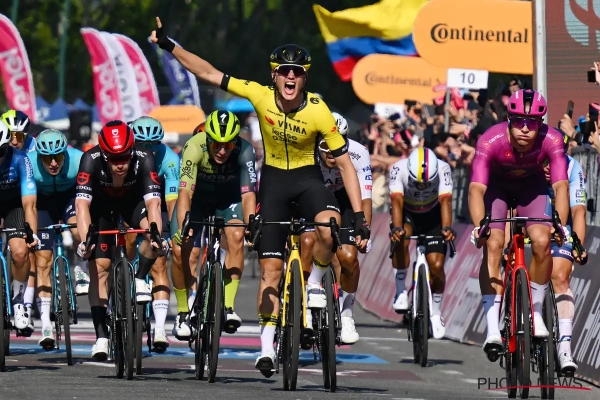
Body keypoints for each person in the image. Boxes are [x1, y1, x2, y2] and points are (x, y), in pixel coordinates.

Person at [150, 18, 369, 377]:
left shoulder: (318, 109)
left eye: (297, 72)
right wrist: (169, 45)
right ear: (274, 75)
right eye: (284, 71)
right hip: (274, 184)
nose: (290, 77)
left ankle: (315, 283)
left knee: (329, 228)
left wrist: (358, 216)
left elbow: (345, 164)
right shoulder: (260, 95)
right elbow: (208, 72)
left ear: (304, 78)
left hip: (308, 180)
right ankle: (266, 348)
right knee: (271, 270)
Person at [468, 89, 570, 359]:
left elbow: (560, 186)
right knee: (493, 244)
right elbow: (476, 189)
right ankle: (493, 328)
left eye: (532, 123)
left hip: (531, 189)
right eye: (519, 122)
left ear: (541, 124)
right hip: (496, 189)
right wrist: (480, 226)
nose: (525, 129)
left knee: (542, 241)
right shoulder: (490, 139)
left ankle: (536, 313)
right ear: (509, 120)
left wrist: (560, 224)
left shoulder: (553, 139)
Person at [75, 120, 166, 360]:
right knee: (100, 267)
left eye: (125, 157)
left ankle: (139, 277)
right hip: (101, 207)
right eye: (114, 159)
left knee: (152, 233)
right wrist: (86, 242)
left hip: (132, 202)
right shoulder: (90, 159)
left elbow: (153, 203)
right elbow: (82, 205)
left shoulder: (145, 158)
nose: (120, 164)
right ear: (104, 154)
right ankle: (101, 337)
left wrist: (156, 236)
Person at [171, 110, 256, 340]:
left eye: (228, 146)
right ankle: (182, 312)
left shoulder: (246, 150)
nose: (222, 151)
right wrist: (184, 224)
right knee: (180, 248)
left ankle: (228, 306)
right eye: (217, 145)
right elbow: (185, 192)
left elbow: (248, 194)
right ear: (208, 139)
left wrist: (251, 224)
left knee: (236, 236)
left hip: (228, 200)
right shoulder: (193, 147)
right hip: (197, 199)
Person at [300, 112, 372, 345]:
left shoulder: (358, 153)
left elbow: (365, 198)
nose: (331, 150)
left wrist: (364, 229)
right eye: (325, 144)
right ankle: (304, 306)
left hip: (344, 200)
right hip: (311, 198)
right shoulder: (306, 152)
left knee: (349, 258)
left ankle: (347, 314)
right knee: (307, 243)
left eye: (337, 143)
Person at [28, 129, 88, 348]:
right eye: (47, 159)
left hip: (69, 199)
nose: (53, 163)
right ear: (39, 157)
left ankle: (80, 267)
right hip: (42, 203)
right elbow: (27, 201)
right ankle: (45, 324)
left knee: (78, 231)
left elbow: (87, 195)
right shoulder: (29, 163)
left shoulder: (78, 159)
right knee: (43, 259)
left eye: (58, 157)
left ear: (65, 153)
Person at [388, 147, 455, 339]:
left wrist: (447, 228)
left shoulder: (443, 168)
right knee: (401, 239)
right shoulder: (398, 169)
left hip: (433, 215)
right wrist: (397, 228)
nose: (422, 186)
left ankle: (436, 312)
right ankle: (401, 290)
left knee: (436, 266)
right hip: (408, 213)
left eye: (426, 183)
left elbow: (446, 201)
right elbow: (397, 201)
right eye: (417, 183)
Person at [129, 116, 181, 350]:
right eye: (143, 144)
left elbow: (172, 202)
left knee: (159, 262)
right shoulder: (126, 156)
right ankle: (125, 280)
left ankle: (160, 328)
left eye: (153, 144)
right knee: (128, 239)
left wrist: (173, 233)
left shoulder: (170, 159)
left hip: (158, 202)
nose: (148, 149)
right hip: (132, 200)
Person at [544, 154, 587, 375]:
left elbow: (579, 211)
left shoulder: (573, 168)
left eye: (553, 162)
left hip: (562, 227)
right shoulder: (524, 159)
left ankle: (564, 348)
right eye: (544, 161)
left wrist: (577, 245)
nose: (547, 167)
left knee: (560, 277)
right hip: (531, 221)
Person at [0, 119, 40, 336]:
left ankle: (18, 301)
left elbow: (29, 204)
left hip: (14, 206)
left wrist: (31, 234)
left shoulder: (20, 159)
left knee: (20, 252)